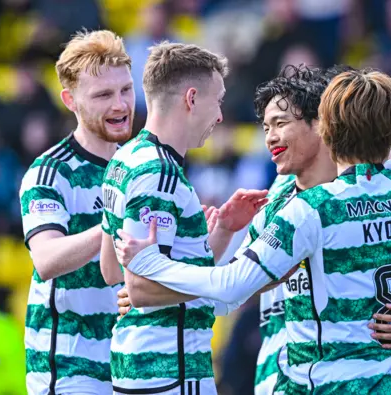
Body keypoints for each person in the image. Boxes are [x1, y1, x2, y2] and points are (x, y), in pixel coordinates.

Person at [112, 69, 391, 394]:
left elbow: (232, 283)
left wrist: (152, 272)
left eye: (280, 123)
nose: (270, 137)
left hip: (333, 381)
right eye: (265, 127)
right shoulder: (281, 200)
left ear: (323, 124)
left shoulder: (310, 209)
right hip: (287, 374)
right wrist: (168, 283)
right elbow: (230, 293)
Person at [100, 41, 267, 394]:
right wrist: (223, 281)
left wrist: (220, 232)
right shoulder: (158, 174)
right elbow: (140, 287)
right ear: (191, 98)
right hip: (170, 371)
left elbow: (112, 270)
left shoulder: (126, 158)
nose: (221, 116)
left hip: (142, 365)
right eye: (217, 100)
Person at [18, 29, 135, 395]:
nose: (120, 105)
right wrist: (112, 224)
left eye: (125, 90)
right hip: (69, 370)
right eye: (103, 95)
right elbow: (47, 259)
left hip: (130, 365)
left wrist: (222, 232)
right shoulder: (51, 171)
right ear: (70, 100)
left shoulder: (139, 166)